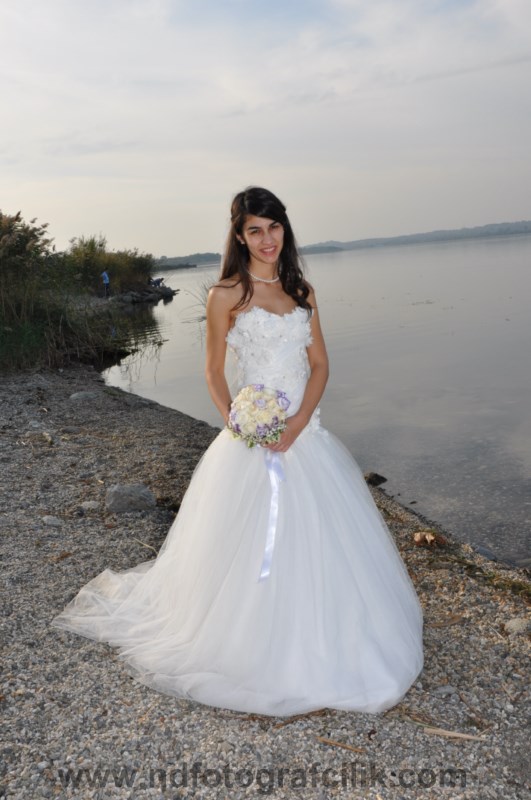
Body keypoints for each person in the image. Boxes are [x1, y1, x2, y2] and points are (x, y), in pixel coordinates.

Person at [53, 187, 423, 716]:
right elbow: (211, 371)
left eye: (274, 227)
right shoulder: (226, 294)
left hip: (306, 434)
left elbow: (320, 365)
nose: (267, 239)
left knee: (323, 540)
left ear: (284, 229)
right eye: (255, 230)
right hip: (252, 441)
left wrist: (298, 423)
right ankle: (249, 640)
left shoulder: (302, 290)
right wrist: (240, 422)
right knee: (245, 544)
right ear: (240, 236)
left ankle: (327, 633)